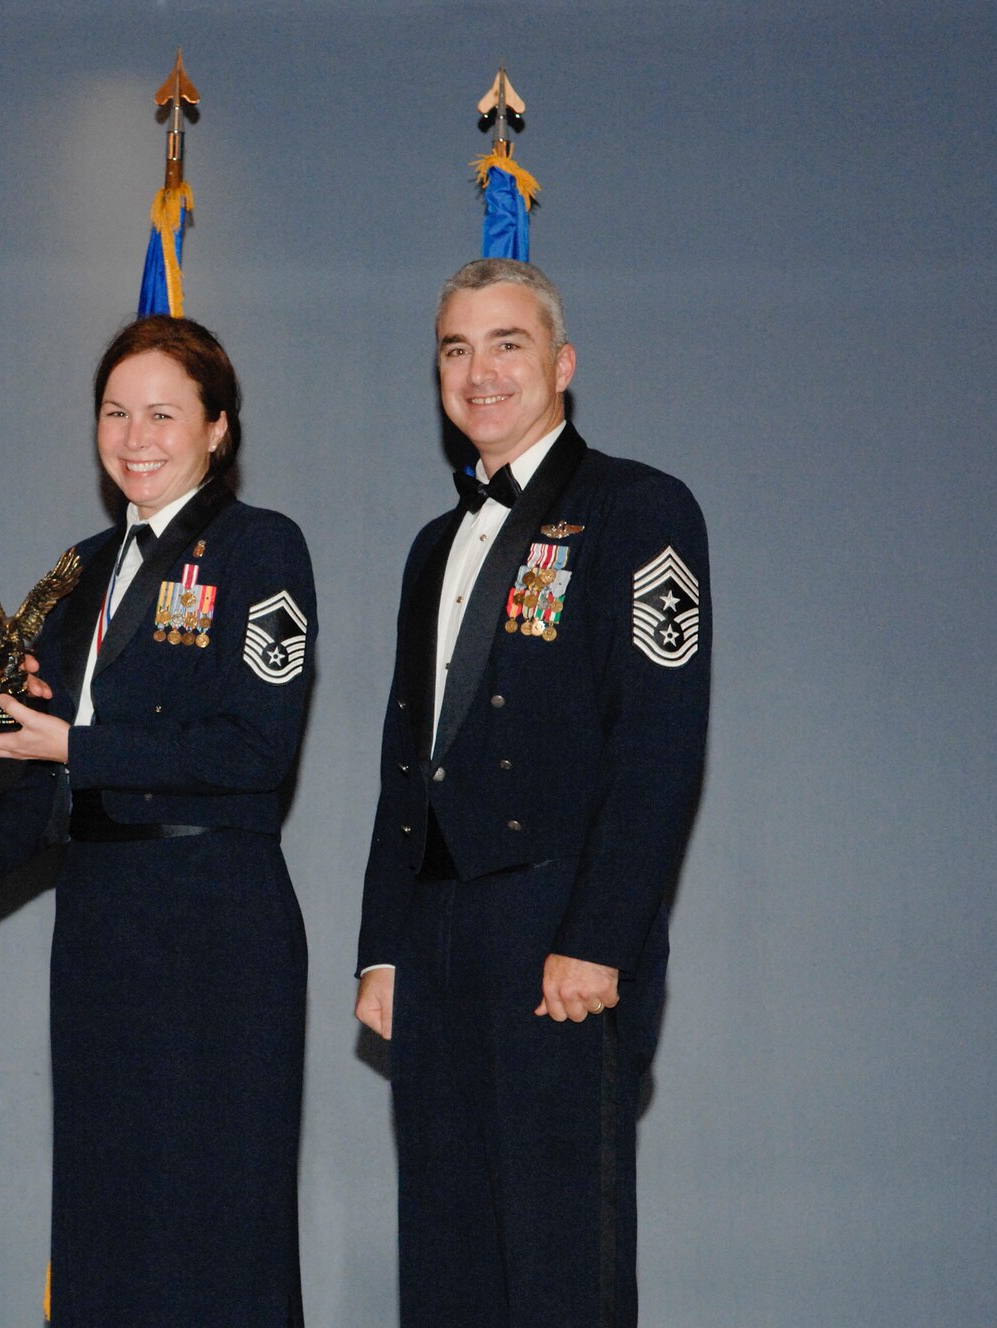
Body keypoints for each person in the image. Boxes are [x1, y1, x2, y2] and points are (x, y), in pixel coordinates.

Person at [353, 259, 711, 1327]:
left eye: (506, 342)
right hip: (439, 942)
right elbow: (402, 761)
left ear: (560, 364)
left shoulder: (639, 509)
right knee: (447, 1264)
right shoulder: (433, 545)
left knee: (560, 1266)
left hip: (559, 931)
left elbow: (658, 743)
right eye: (455, 349)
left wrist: (598, 933)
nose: (479, 371)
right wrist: (383, 942)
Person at [0, 316, 315, 1326]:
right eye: (115, 411)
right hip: (101, 924)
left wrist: (68, 744)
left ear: (217, 428)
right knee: (108, 1218)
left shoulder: (259, 547)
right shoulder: (77, 570)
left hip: (217, 926)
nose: (135, 435)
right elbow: (35, 767)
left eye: (163, 412)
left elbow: (252, 749)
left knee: (219, 1224)